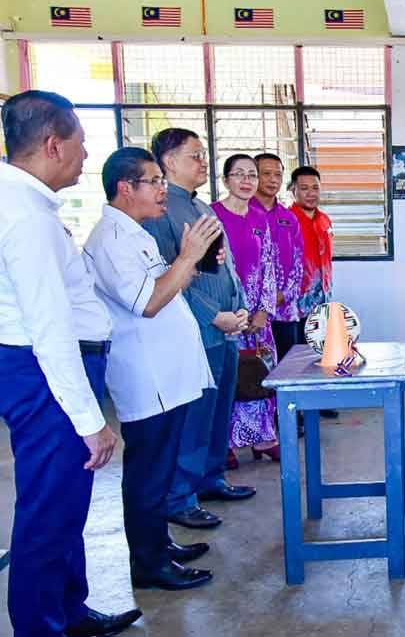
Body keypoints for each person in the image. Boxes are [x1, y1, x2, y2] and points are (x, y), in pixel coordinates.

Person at [0, 90, 140, 637]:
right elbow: (48, 327)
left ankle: (71, 612)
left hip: (48, 369)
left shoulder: (26, 203)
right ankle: (41, 626)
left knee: (65, 503)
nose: (86, 159)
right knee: (48, 511)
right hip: (45, 374)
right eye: (81, 146)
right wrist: (90, 421)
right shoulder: (25, 215)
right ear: (54, 145)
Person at [84, 147, 218, 591]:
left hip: (169, 375)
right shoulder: (111, 241)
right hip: (149, 379)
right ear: (126, 188)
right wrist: (186, 257)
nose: (163, 190)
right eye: (154, 181)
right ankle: (148, 564)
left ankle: (159, 545)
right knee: (148, 475)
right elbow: (149, 301)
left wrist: (187, 262)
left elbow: (163, 285)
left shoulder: (135, 232)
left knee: (160, 471)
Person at [146, 129, 255, 530]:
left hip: (225, 326)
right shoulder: (161, 211)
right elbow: (171, 277)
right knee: (194, 415)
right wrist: (213, 316)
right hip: (197, 330)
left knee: (217, 409)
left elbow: (224, 266)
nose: (202, 162)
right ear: (169, 162)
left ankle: (211, 478)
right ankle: (181, 496)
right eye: (195, 155)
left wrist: (240, 306)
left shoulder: (200, 208)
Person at [213, 154, 280, 463]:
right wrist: (231, 313)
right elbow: (205, 272)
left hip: (257, 319)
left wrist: (264, 310)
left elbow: (269, 265)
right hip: (225, 317)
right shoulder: (210, 216)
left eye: (251, 174)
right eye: (238, 174)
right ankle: (222, 443)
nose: (246, 180)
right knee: (227, 379)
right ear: (226, 180)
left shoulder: (260, 219)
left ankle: (263, 439)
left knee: (260, 376)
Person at [289, 165, 338, 420]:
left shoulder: (325, 219)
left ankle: (318, 402)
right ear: (293, 190)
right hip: (294, 301)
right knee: (296, 355)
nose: (310, 193)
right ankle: (296, 410)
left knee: (320, 349)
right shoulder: (286, 219)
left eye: (315, 188)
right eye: (304, 188)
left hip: (322, 297)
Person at [252, 153, 303, 360]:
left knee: (287, 367)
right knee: (254, 374)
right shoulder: (241, 214)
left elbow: (298, 263)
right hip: (251, 313)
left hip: (284, 309)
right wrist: (261, 303)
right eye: (266, 174)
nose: (273, 179)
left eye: (278, 175)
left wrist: (280, 296)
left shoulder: (289, 218)